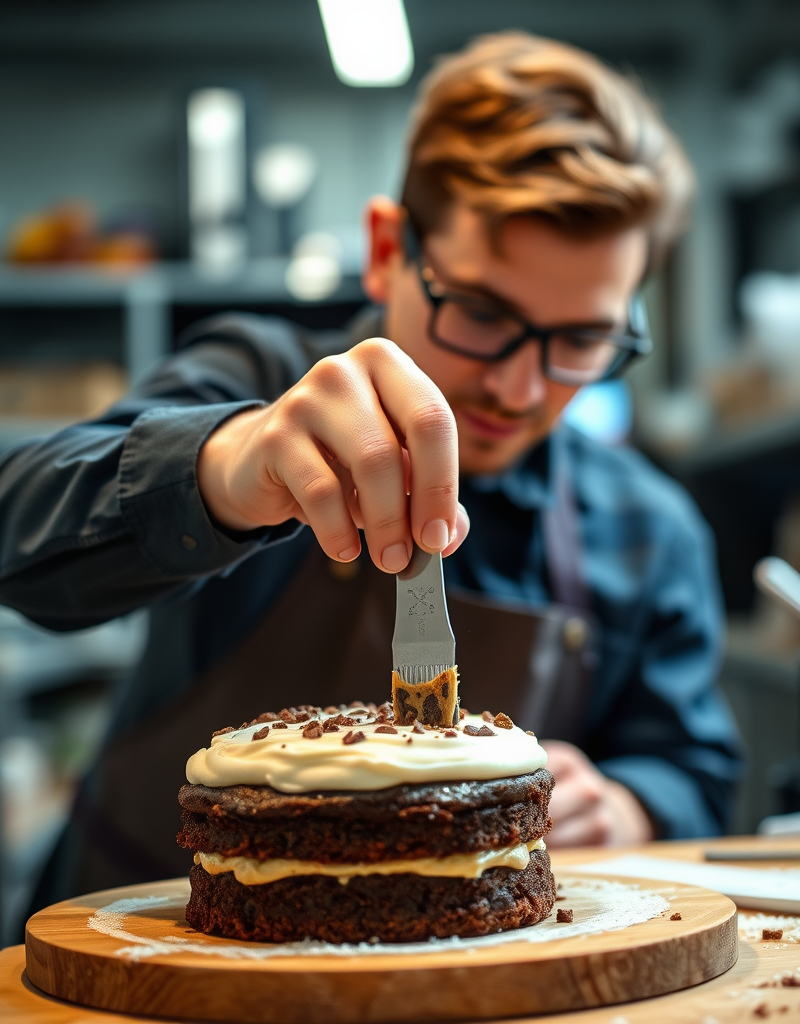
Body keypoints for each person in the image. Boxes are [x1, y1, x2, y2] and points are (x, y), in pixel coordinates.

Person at [0, 31, 743, 906]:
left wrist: (630, 804)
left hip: (468, 973)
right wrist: (227, 465)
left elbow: (695, 770)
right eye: (479, 310)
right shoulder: (253, 377)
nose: (516, 386)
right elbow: (19, 535)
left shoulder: (648, 529)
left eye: (581, 339)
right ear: (389, 249)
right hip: (160, 947)